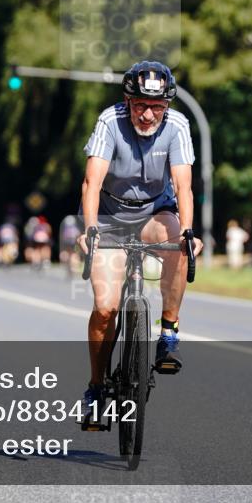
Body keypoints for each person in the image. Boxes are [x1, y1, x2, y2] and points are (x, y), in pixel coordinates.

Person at [78, 61, 203, 415]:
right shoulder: (110, 121)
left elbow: (183, 187)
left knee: (179, 241)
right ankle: (96, 387)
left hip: (153, 212)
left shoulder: (177, 125)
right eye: (140, 106)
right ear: (127, 100)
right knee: (106, 308)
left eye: (157, 107)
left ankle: (168, 331)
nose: (148, 115)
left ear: (167, 105)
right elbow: (92, 182)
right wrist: (90, 231)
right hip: (109, 216)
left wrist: (189, 233)